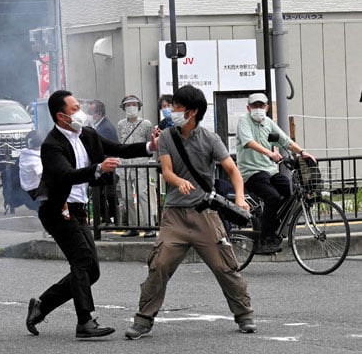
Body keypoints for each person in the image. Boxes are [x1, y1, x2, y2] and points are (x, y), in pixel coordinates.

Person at [125, 84, 256, 340]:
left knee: (225, 266)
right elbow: (166, 170)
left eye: (177, 107)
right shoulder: (166, 137)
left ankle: (244, 315)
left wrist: (240, 197)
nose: (172, 110)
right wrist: (178, 182)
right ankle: (143, 320)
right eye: (173, 106)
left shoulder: (210, 138)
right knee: (159, 264)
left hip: (205, 214)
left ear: (192, 112)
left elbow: (232, 170)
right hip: (174, 215)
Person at [26, 90, 158, 339]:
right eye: (75, 108)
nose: (81, 112)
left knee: (91, 270)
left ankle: (42, 305)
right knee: (82, 261)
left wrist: (151, 145)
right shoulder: (52, 145)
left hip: (78, 209)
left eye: (80, 106)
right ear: (61, 116)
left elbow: (118, 148)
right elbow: (66, 175)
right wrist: (97, 168)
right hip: (59, 209)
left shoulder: (87, 134)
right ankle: (85, 321)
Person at [235, 92, 316, 254]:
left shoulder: (268, 123)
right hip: (251, 172)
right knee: (272, 197)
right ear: (248, 107)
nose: (258, 109)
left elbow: (285, 140)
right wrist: (270, 153)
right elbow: (249, 142)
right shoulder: (244, 121)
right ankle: (264, 240)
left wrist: (303, 152)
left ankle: (271, 223)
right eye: (254, 106)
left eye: (261, 106)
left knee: (290, 191)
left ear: (267, 107)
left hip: (270, 171)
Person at [116, 95, 156, 238]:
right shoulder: (120, 124)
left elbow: (150, 144)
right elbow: (120, 143)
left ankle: (149, 225)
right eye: (128, 105)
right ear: (124, 107)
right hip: (124, 164)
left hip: (141, 164)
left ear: (138, 107)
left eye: (134, 104)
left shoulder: (146, 124)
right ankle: (133, 226)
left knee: (142, 194)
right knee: (126, 196)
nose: (131, 107)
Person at [88, 100, 119, 225]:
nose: (89, 115)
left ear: (99, 113)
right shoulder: (99, 126)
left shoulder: (105, 128)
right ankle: (106, 218)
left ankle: (110, 218)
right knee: (102, 194)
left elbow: (107, 149)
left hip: (106, 166)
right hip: (104, 166)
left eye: (91, 112)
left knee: (107, 194)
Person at [18, 130, 44, 212]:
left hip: (25, 192)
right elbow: (43, 176)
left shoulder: (23, 156)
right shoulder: (35, 160)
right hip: (36, 194)